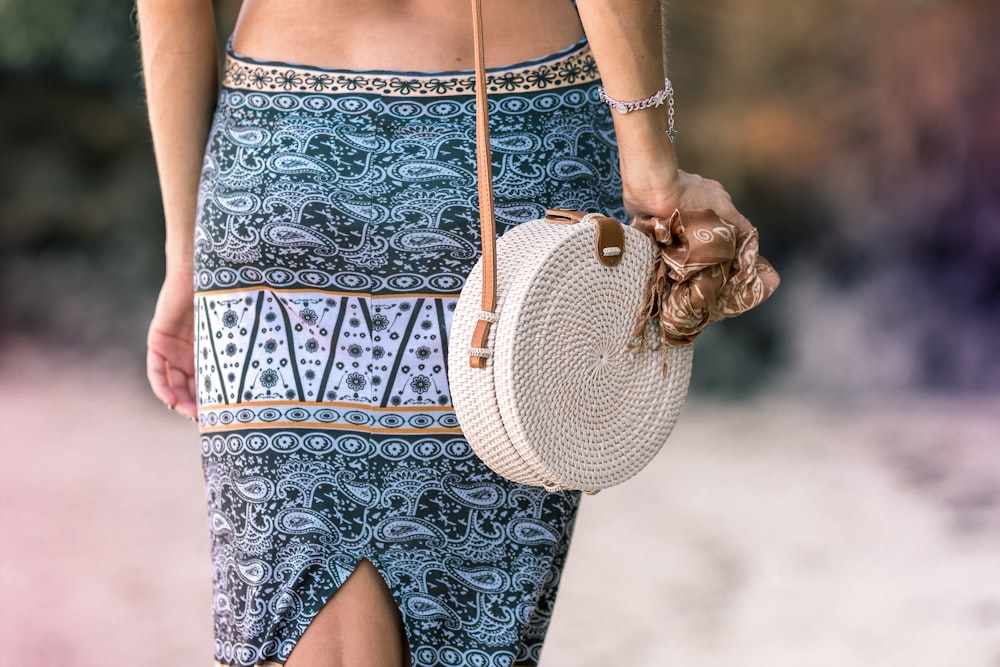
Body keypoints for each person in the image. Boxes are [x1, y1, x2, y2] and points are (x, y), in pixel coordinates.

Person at [138, 1, 748, 665]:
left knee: (295, 597)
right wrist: (649, 160)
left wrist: (184, 254)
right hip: (509, 149)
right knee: (469, 623)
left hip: (283, 162)